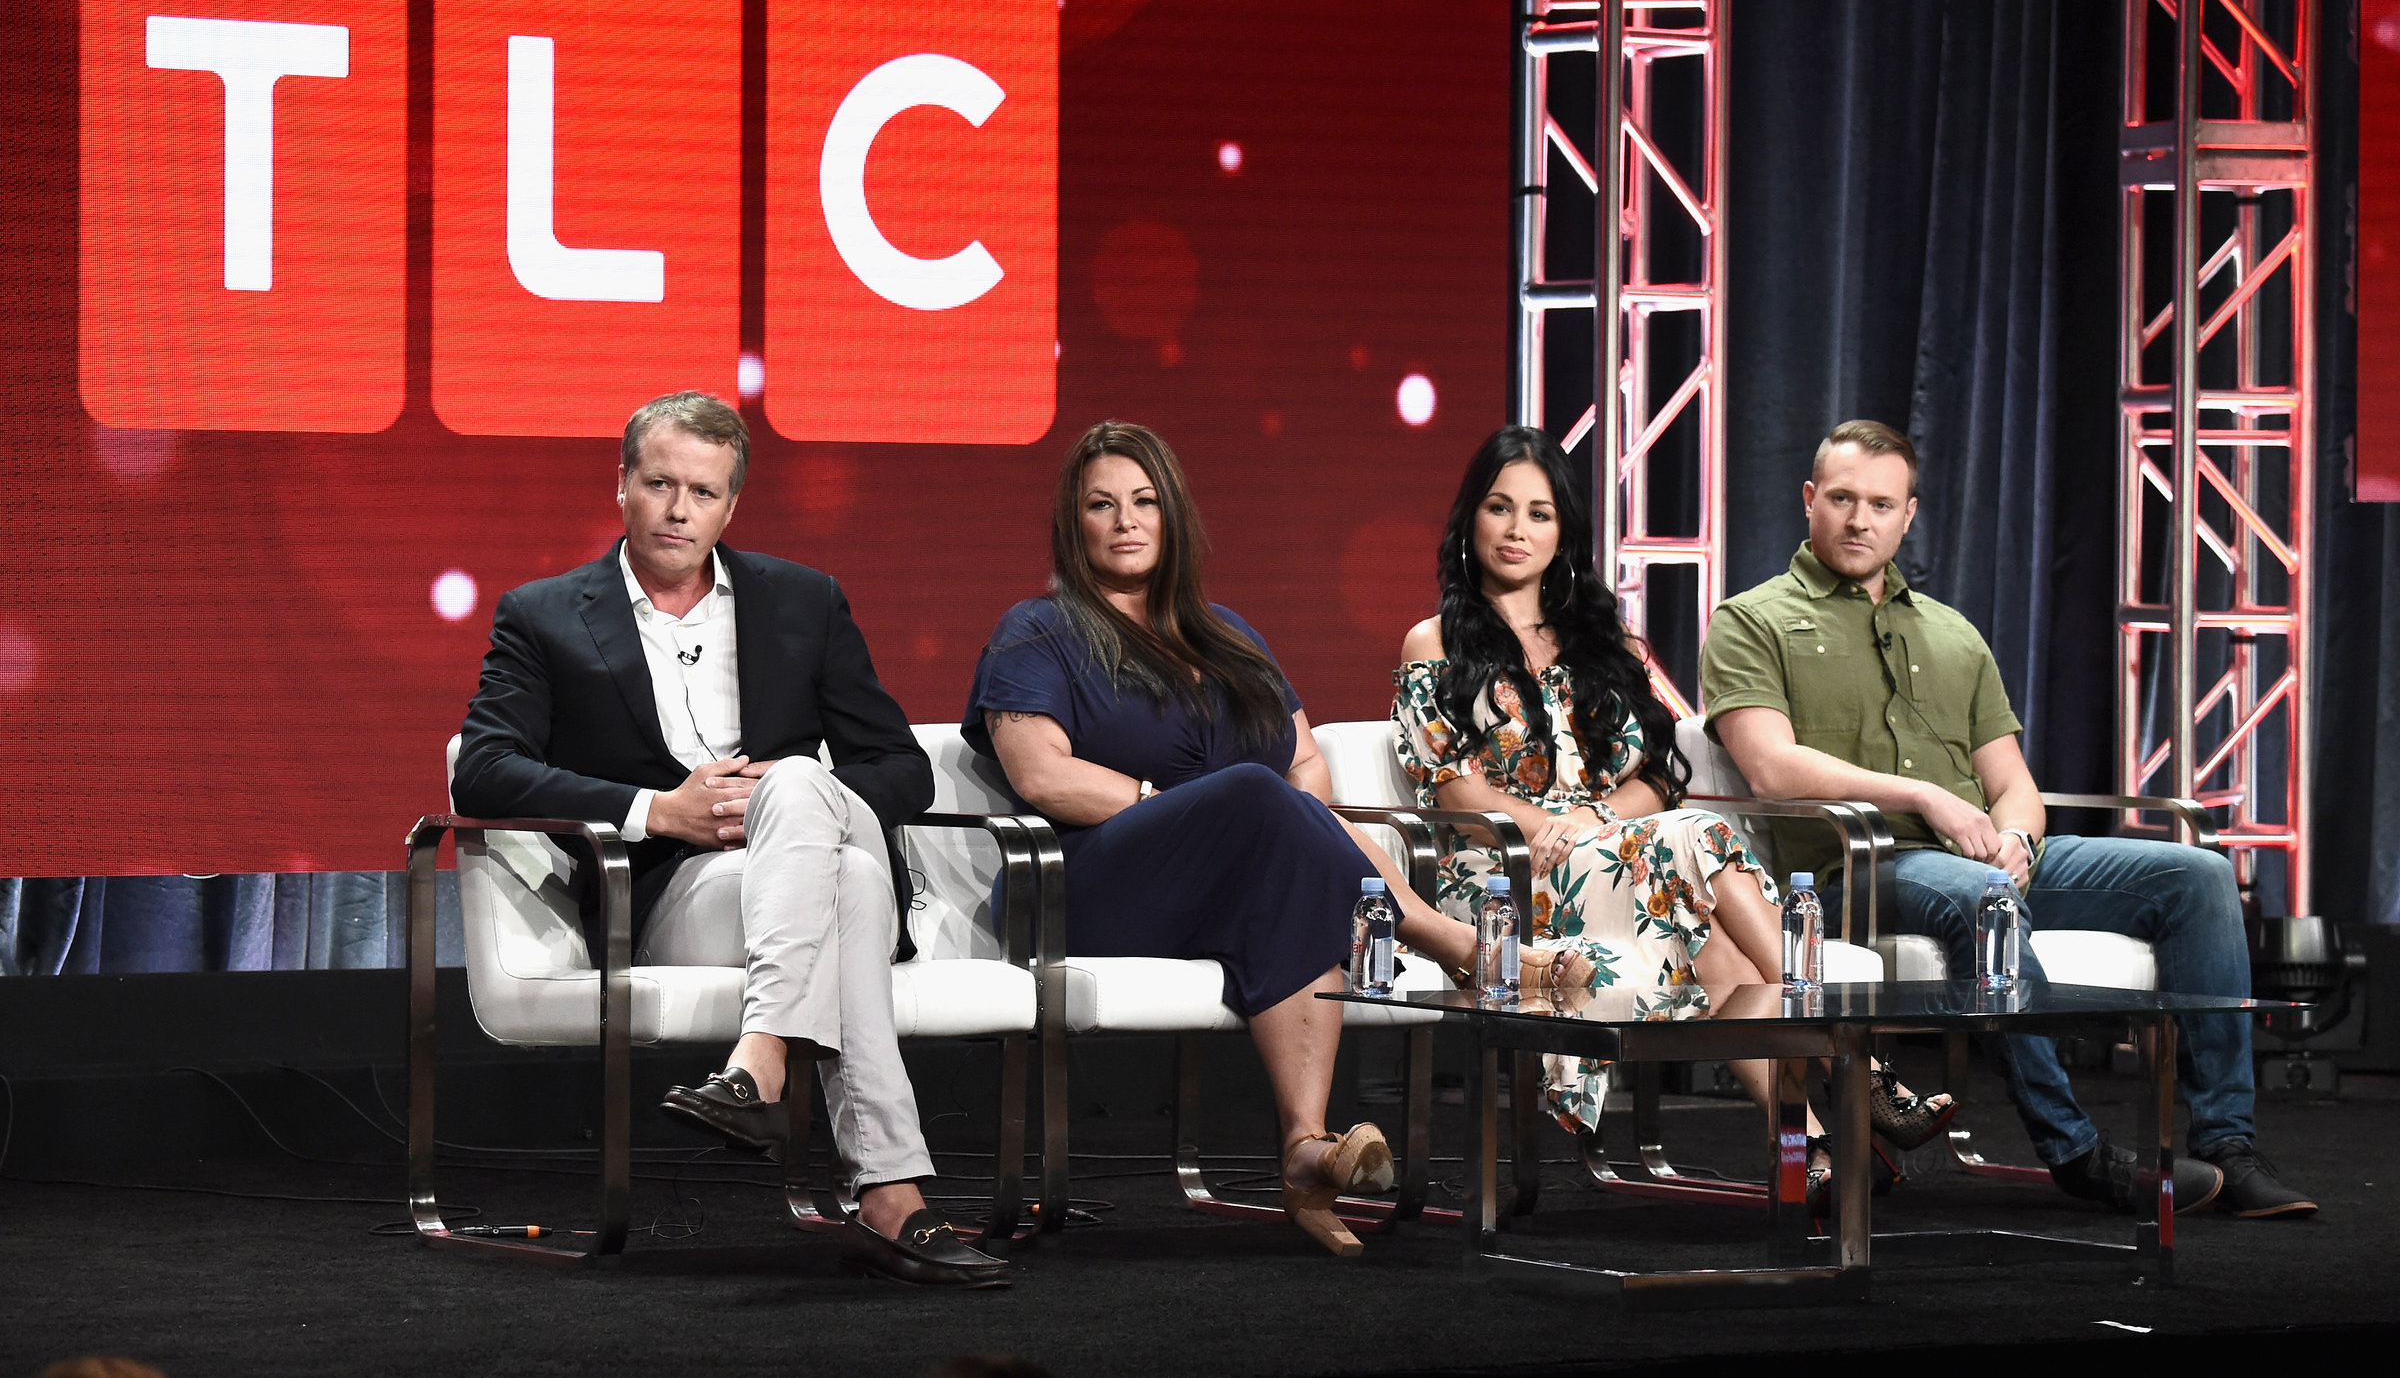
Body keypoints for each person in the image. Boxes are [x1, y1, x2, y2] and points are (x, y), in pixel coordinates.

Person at [965, 421, 1580, 1257]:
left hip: (1221, 889)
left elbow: (1307, 761)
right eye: (1101, 505)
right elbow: (1041, 775)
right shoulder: (1037, 631)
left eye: (1144, 501)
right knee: (1256, 797)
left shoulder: (1227, 634)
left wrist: (1271, 826)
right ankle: (1459, 947)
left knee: (1291, 871)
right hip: (1083, 888)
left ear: (1174, 515)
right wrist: (1184, 810)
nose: (1126, 520)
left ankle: (1305, 1151)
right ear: (1073, 524)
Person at [452, 391, 1011, 1287]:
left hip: (803, 860)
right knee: (849, 884)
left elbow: (899, 768)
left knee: (797, 786)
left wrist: (791, 798)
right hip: (675, 896)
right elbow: (482, 769)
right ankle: (889, 1197)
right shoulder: (544, 615)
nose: (679, 510)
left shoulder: (803, 601)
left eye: (703, 492)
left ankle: (760, 1066)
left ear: (731, 504)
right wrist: (657, 809)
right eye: (660, 484)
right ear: (622, 485)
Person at [1700, 418, 2317, 1220]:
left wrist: (2020, 837)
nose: (1859, 520)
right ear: (1810, 499)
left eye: (1881, 505)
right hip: (1857, 868)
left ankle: (2228, 1143)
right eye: (1843, 499)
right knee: (1980, 895)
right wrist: (1923, 796)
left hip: (1980, 855)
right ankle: (2076, 1151)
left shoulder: (1950, 632)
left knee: (2196, 875)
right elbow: (1770, 766)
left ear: (1908, 515)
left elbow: (2012, 783)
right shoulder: (1752, 619)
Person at [1392, 426, 1954, 1203]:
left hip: (1616, 857)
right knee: (1696, 847)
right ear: (1471, 519)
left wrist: (1593, 819)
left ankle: (1810, 1150)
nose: (1518, 530)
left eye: (1540, 514)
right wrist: (1554, 827)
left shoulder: (1603, 643)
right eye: (1500, 508)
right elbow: (1454, 791)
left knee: (1710, 931)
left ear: (1564, 532)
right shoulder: (1433, 642)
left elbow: (1658, 777)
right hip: (1503, 876)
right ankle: (1863, 1073)